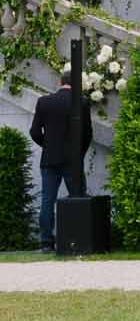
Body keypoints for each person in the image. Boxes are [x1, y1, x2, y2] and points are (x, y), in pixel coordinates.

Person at [30, 70, 90, 253]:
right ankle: (80, 238)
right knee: (78, 198)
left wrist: (47, 145)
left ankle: (46, 242)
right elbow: (87, 133)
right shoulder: (82, 102)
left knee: (47, 201)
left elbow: (34, 132)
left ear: (60, 82)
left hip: (50, 159)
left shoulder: (44, 102)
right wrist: (79, 153)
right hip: (73, 160)